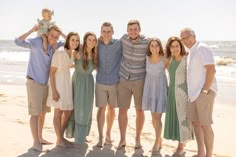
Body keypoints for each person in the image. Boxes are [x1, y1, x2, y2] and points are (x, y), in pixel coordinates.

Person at [15, 25, 64, 151]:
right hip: (34, 82)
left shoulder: (55, 44)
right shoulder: (36, 42)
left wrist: (62, 33)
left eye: (56, 37)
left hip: (45, 84)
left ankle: (40, 138)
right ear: (47, 33)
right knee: (35, 114)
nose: (53, 38)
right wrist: (31, 30)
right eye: (51, 35)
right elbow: (18, 41)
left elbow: (71, 42)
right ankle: (36, 143)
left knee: (42, 113)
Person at [180, 28, 217, 157]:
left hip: (203, 93)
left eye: (187, 37)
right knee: (196, 124)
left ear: (194, 36)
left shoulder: (202, 48)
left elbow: (211, 70)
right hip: (193, 94)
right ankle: (201, 153)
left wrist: (205, 90)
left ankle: (209, 155)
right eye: (183, 38)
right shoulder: (191, 52)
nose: (185, 40)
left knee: (205, 125)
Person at [117, 20, 149, 149]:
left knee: (139, 110)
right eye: (130, 29)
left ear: (139, 30)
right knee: (122, 109)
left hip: (139, 80)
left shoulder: (146, 42)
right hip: (124, 79)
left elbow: (159, 51)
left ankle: (137, 139)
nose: (133, 32)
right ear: (127, 31)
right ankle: (122, 139)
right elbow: (112, 44)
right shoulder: (123, 39)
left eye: (135, 29)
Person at [47, 32, 80, 147]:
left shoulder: (72, 52)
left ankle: (59, 137)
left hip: (67, 82)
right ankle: (60, 139)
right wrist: (54, 91)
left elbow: (67, 65)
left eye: (77, 40)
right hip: (58, 83)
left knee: (68, 110)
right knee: (58, 111)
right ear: (68, 40)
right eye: (72, 40)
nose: (75, 43)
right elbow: (51, 72)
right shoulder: (60, 52)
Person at [164, 36, 193, 156]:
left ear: (181, 46)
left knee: (183, 119)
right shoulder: (168, 59)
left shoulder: (187, 59)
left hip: (183, 93)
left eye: (177, 46)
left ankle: (181, 147)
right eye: (172, 46)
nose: (175, 48)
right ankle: (180, 145)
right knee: (176, 118)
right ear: (169, 48)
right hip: (171, 92)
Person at [67, 32, 98, 144]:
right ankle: (75, 134)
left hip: (89, 83)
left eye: (94, 40)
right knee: (77, 107)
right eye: (89, 40)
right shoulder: (78, 52)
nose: (91, 42)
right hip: (78, 81)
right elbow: (68, 62)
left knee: (87, 109)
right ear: (85, 41)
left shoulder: (95, 54)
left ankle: (83, 135)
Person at [96, 22, 122, 147]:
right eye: (104, 31)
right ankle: (100, 137)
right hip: (100, 81)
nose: (106, 34)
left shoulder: (119, 44)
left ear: (113, 32)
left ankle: (108, 134)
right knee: (101, 108)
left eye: (108, 31)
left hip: (114, 82)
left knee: (111, 108)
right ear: (101, 32)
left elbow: (132, 42)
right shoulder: (96, 44)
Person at [142, 38, 167, 153]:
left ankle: (156, 142)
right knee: (153, 117)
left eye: (156, 45)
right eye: (152, 45)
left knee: (157, 117)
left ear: (160, 47)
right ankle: (159, 138)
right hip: (150, 89)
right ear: (149, 47)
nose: (154, 48)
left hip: (161, 89)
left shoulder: (165, 58)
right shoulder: (146, 58)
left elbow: (173, 69)